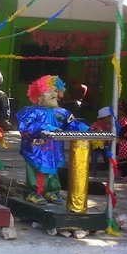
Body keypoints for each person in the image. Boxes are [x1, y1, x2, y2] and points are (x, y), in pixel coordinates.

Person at [17, 75, 90, 204]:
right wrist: (47, 127)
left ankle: (52, 192)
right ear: (39, 95)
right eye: (48, 91)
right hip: (36, 149)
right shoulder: (30, 111)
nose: (53, 94)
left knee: (53, 170)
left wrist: (87, 129)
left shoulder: (62, 112)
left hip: (55, 148)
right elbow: (27, 127)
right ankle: (34, 193)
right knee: (37, 170)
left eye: (55, 91)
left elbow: (72, 123)